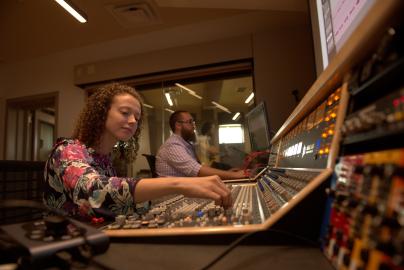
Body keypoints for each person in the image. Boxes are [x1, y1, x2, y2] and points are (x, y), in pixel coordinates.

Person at [43, 83, 231, 221]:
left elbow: (119, 205)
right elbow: (95, 192)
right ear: (101, 114)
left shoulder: (106, 159)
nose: (133, 121)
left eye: (137, 117)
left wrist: (171, 201)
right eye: (125, 112)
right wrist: (179, 184)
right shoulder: (66, 150)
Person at [155, 110, 246, 179]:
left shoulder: (185, 145)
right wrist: (232, 175)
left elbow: (197, 168)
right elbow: (197, 170)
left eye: (193, 122)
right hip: (174, 197)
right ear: (178, 125)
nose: (194, 126)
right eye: (190, 122)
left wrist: (228, 173)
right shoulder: (172, 145)